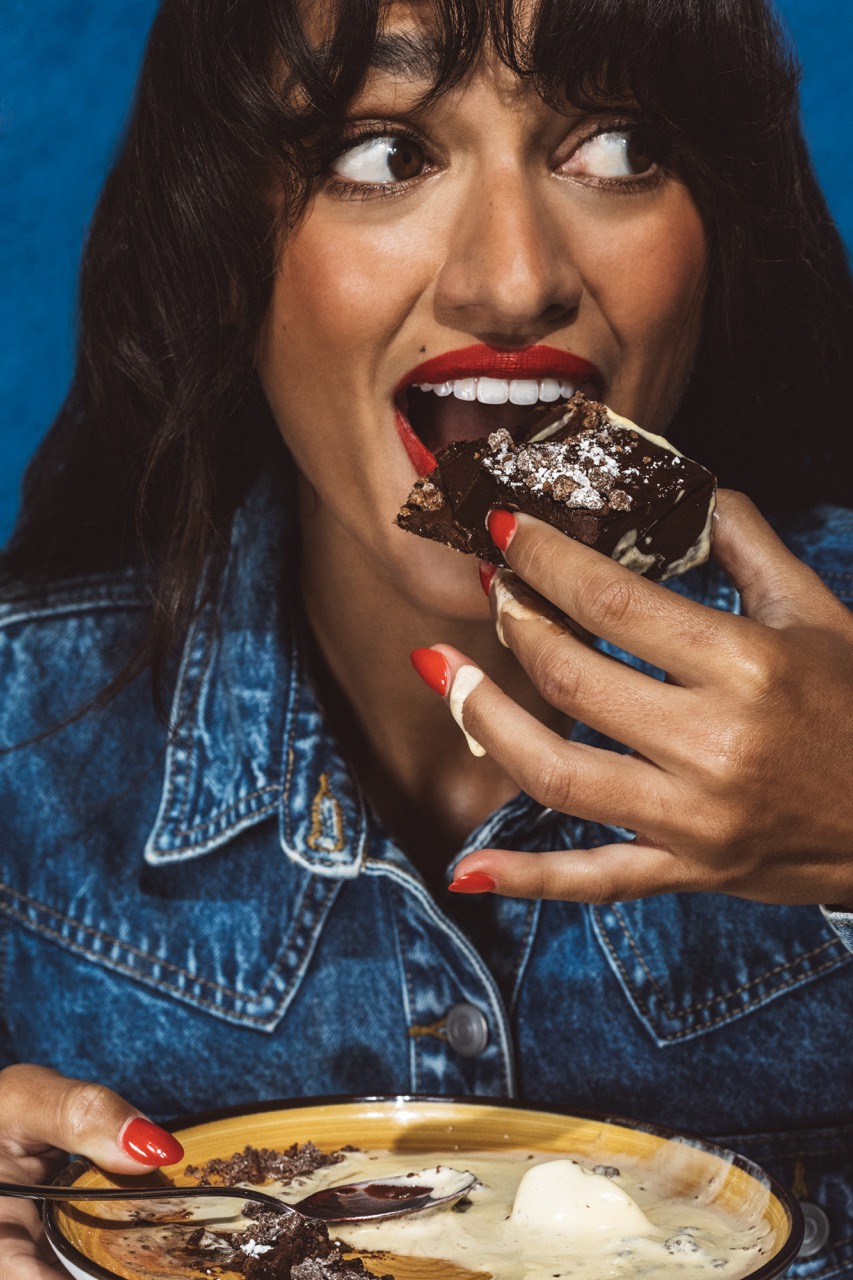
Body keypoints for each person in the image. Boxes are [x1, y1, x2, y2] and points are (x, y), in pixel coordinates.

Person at [2, 0, 853, 1273]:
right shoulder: (23, 742)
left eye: (614, 147)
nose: (513, 279)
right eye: (386, 154)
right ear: (225, 243)